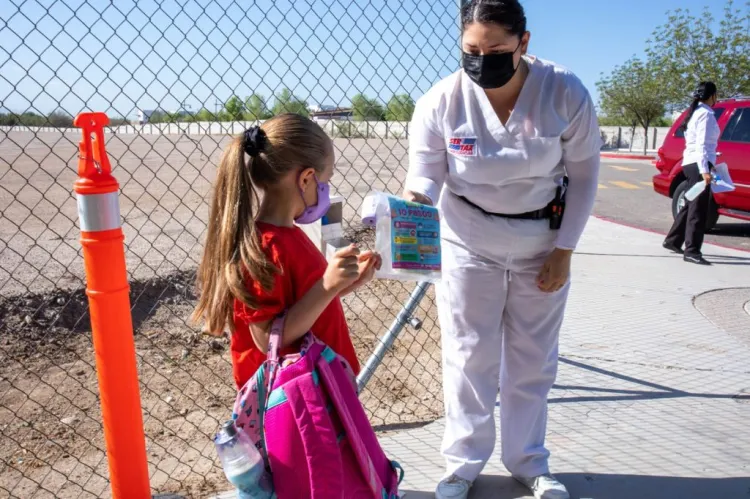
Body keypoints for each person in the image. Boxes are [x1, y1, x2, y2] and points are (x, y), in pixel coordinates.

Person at [403, 1, 601, 498]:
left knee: (533, 358)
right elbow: (427, 168)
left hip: (542, 242)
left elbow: (584, 175)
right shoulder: (443, 101)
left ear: (524, 43)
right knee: (469, 353)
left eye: (495, 50)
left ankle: (528, 461)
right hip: (469, 239)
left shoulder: (564, 92)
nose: (481, 60)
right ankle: (462, 463)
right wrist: (415, 200)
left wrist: (565, 249)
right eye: (471, 49)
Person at [192, 113, 381, 389]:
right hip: (295, 410)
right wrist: (327, 286)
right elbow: (268, 337)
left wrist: (344, 284)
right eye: (325, 181)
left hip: (317, 395)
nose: (326, 191)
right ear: (306, 179)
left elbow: (300, 300)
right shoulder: (265, 248)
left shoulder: (288, 235)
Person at [663, 81, 720, 266]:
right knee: (698, 209)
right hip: (698, 165)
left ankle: (672, 240)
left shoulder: (694, 112)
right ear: (712, 96)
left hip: (691, 163)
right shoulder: (705, 114)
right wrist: (705, 170)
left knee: (689, 204)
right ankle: (692, 251)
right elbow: (702, 144)